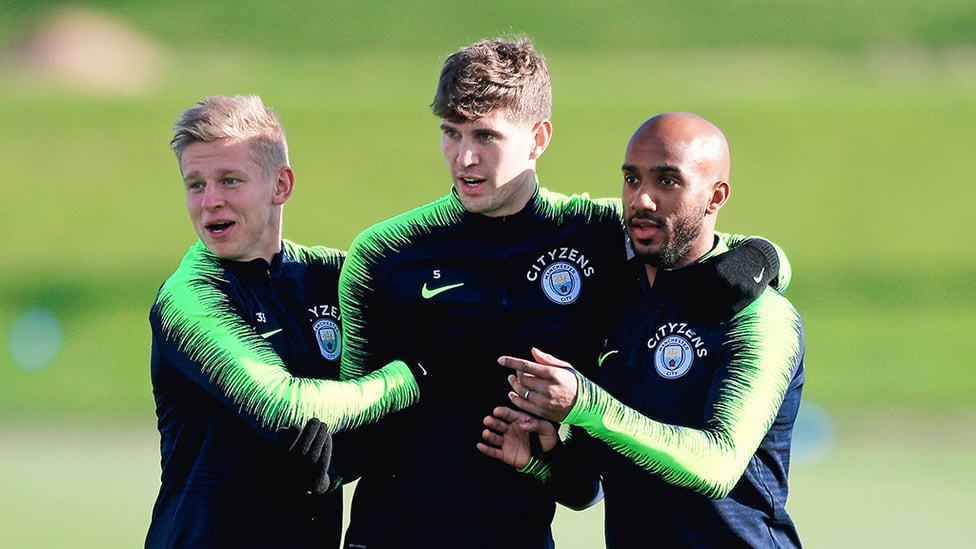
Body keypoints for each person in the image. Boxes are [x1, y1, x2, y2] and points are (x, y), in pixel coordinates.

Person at [337, 38, 788, 549]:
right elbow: (357, 428)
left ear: (538, 138)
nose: (464, 157)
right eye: (451, 133)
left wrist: (764, 257)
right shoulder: (385, 251)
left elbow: (686, 236)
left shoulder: (596, 235)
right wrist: (315, 456)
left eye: (486, 135)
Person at [478, 112, 805, 548]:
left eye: (667, 181)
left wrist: (586, 403)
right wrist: (548, 455)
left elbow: (718, 466)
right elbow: (590, 489)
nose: (641, 200)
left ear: (715, 196)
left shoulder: (761, 317)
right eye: (632, 180)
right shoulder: (616, 301)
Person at [146, 94, 425, 548]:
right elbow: (287, 407)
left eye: (229, 180)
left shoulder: (331, 277)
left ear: (281, 186)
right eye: (195, 184)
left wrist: (335, 468)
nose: (210, 201)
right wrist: (409, 378)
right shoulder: (189, 296)